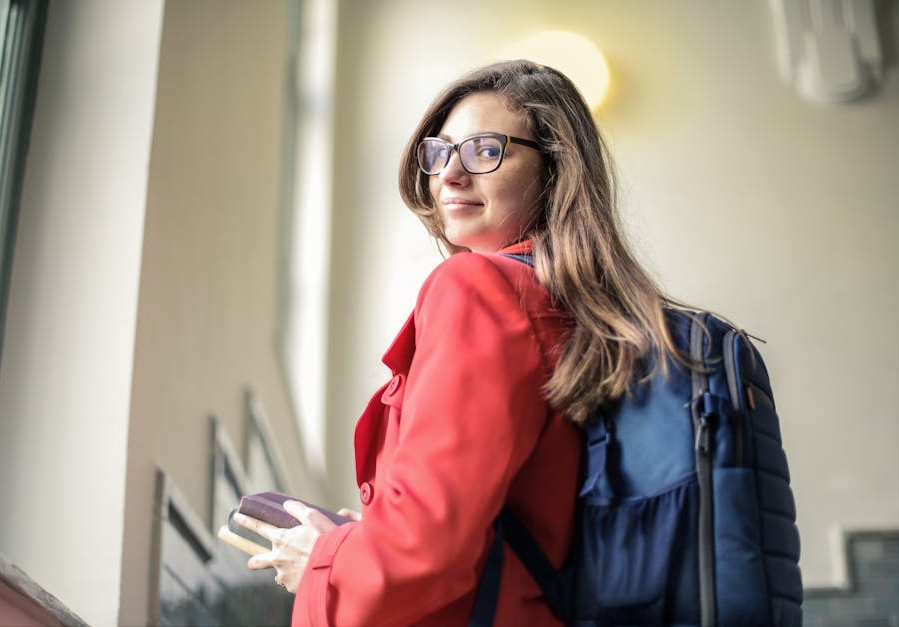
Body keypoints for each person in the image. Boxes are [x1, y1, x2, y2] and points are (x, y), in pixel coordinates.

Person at [233, 59, 682, 626]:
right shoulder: (579, 311)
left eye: (484, 151)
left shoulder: (477, 287)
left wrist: (324, 560)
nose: (450, 174)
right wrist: (371, 539)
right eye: (439, 152)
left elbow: (426, 553)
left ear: (555, 170)